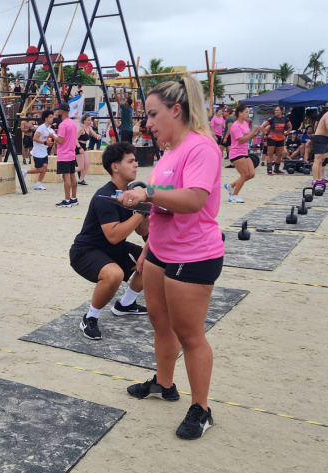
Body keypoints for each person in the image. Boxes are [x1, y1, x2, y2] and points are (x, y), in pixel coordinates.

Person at [117, 74, 223, 440]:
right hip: (162, 252)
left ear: (176, 110)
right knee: (161, 325)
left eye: (152, 114)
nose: (147, 123)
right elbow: (163, 204)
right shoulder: (170, 152)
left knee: (190, 335)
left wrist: (146, 195)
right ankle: (164, 384)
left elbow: (193, 199)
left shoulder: (201, 148)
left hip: (193, 255)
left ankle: (202, 409)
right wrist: (148, 249)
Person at [70, 142, 149, 340]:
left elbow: (142, 231)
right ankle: (89, 318)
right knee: (115, 274)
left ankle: (125, 305)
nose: (136, 165)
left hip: (114, 249)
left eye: (135, 161)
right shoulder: (105, 196)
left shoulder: (129, 194)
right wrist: (140, 212)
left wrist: (145, 210)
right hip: (86, 252)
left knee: (152, 261)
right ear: (115, 167)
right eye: (130, 161)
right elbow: (113, 235)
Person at [223, 103, 266, 203]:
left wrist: (256, 132)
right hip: (236, 153)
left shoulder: (245, 123)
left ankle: (231, 185)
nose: (247, 114)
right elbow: (241, 140)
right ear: (240, 113)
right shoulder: (235, 126)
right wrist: (254, 131)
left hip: (244, 152)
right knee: (245, 174)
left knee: (251, 174)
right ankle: (234, 196)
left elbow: (249, 137)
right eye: (246, 112)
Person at [53, 103, 79, 207]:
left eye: (58, 111)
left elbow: (60, 140)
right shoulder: (72, 123)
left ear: (61, 111)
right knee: (72, 175)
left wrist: (53, 135)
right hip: (71, 153)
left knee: (66, 177)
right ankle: (73, 198)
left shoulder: (63, 124)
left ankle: (67, 200)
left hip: (64, 154)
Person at [24, 109, 55, 190]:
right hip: (37, 151)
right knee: (40, 169)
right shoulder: (41, 128)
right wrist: (45, 143)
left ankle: (38, 184)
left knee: (45, 167)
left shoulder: (50, 129)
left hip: (44, 151)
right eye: (50, 117)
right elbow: (35, 138)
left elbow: (55, 138)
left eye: (52, 117)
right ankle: (24, 172)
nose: (52, 118)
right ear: (46, 118)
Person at [265, 106, 291, 175]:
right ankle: (269, 170)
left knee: (279, 154)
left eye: (278, 110)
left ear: (281, 111)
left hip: (280, 139)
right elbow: (263, 127)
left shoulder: (285, 119)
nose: (276, 111)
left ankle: (276, 169)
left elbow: (290, 127)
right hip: (272, 139)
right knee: (270, 154)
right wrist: (267, 134)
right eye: (275, 110)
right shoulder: (272, 119)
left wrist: (286, 134)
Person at [76, 114, 98, 185]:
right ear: (84, 121)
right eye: (88, 120)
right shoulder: (81, 128)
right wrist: (79, 147)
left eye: (90, 120)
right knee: (80, 167)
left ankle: (81, 180)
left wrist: (98, 136)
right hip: (78, 147)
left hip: (84, 147)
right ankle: (66, 172)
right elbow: (74, 139)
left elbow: (94, 135)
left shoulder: (89, 128)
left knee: (86, 165)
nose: (90, 122)